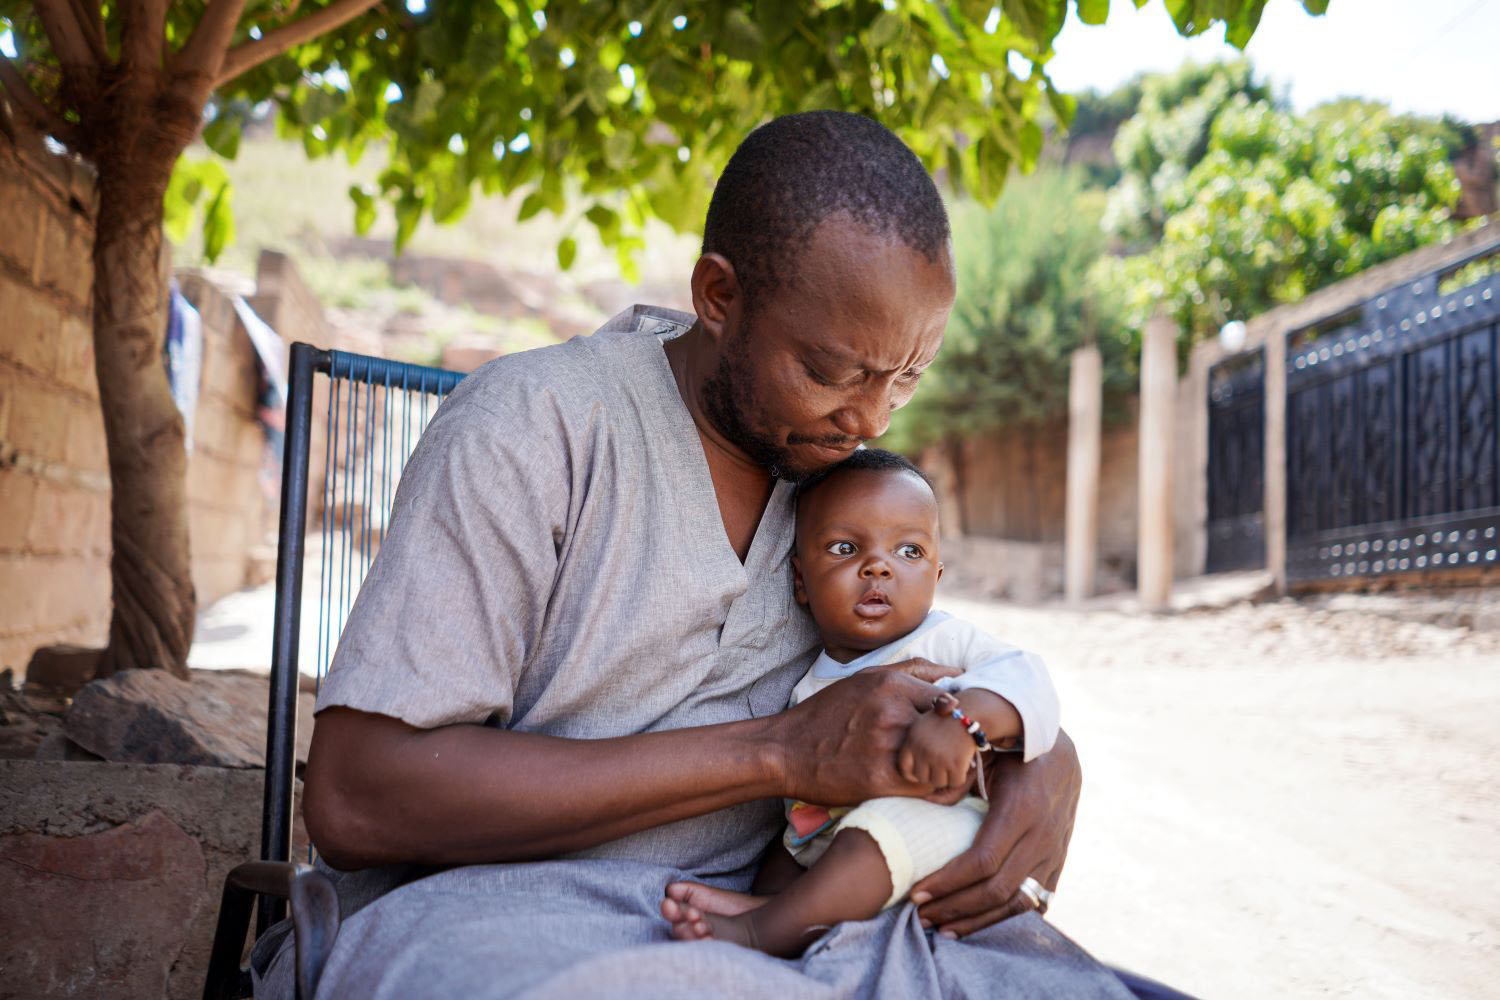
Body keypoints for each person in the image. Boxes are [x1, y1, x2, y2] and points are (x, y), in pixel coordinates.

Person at [252, 111, 1154, 999]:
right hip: (489, 919)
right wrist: (778, 751)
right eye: (835, 371)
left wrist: (1045, 756)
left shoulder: (842, 488)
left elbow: (950, 667)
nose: (874, 419)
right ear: (718, 298)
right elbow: (357, 796)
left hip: (792, 922)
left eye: (907, 375)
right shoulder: (536, 427)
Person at [663, 449, 1061, 957]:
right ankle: (763, 907)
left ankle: (759, 934)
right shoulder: (807, 684)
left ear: (937, 576)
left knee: (867, 840)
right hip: (834, 832)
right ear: (801, 581)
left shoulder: (945, 643)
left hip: (940, 825)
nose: (878, 565)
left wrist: (963, 720)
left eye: (910, 552)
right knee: (789, 851)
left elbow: (1029, 680)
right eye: (846, 548)